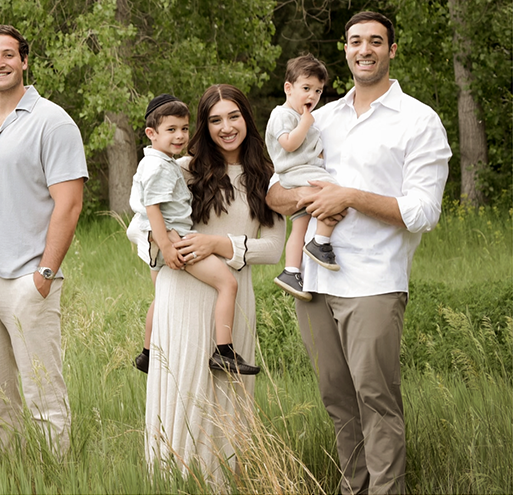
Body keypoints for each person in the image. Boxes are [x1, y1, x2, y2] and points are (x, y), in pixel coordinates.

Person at [267, 12, 451, 494]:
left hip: (373, 281)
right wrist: (307, 199)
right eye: (354, 41)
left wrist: (348, 196)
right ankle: (355, 488)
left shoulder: (419, 120)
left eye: (375, 41)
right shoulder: (320, 116)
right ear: (345, 50)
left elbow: (423, 211)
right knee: (337, 401)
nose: (364, 49)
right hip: (313, 282)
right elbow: (274, 192)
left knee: (376, 400)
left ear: (392, 50)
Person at [0, 24, 87, 454]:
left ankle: (56, 475)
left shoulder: (53, 121)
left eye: (8, 55)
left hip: (27, 279)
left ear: (24, 61)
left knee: (43, 392)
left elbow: (69, 204)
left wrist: (44, 274)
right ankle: (12, 472)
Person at [143, 84, 285, 486]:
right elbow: (146, 223)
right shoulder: (183, 167)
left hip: (233, 298)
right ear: (204, 125)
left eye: (234, 116)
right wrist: (162, 243)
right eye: (215, 119)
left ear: (247, 118)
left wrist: (218, 244)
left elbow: (273, 249)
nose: (226, 127)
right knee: (183, 390)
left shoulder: (267, 178)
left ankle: (225, 483)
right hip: (182, 293)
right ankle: (173, 482)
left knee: (228, 397)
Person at [128, 95, 258, 376]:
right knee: (227, 283)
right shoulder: (161, 167)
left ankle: (147, 353)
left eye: (184, 129)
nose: (180, 136)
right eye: (171, 129)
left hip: (164, 243)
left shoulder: (157, 162)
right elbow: (151, 209)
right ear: (151, 133)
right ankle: (224, 350)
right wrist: (168, 244)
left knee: (159, 297)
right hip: (176, 243)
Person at [267, 54, 342, 301]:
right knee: (334, 192)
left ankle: (291, 271)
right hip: (296, 173)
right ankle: (320, 242)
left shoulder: (303, 118)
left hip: (299, 172)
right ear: (289, 88)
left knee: (299, 225)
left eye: (318, 91)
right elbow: (288, 144)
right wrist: (306, 122)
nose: (312, 96)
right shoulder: (283, 115)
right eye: (306, 88)